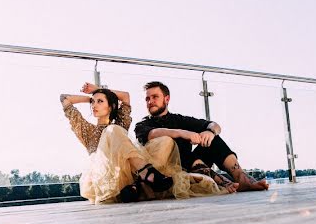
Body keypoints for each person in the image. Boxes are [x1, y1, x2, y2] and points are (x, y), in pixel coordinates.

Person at [61, 83, 225, 204]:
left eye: (99, 101)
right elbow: (65, 99)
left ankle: (141, 186)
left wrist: (102, 92)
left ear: (111, 106)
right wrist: (93, 96)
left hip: (128, 176)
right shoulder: (86, 130)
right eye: (93, 103)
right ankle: (148, 176)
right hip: (106, 180)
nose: (94, 105)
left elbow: (125, 96)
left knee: (166, 141)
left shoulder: (122, 122)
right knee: (112, 130)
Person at [134, 81, 269, 192]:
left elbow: (214, 125)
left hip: (191, 164)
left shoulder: (180, 119)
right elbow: (152, 134)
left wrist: (210, 132)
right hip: (164, 174)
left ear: (167, 99)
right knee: (170, 142)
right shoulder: (142, 125)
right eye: (147, 98)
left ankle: (241, 177)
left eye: (154, 97)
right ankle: (214, 178)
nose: (150, 101)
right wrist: (183, 133)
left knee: (212, 138)